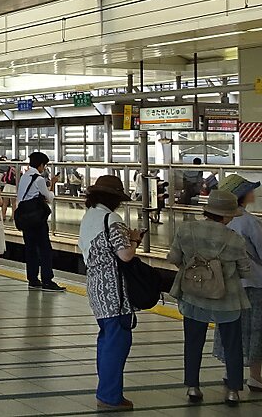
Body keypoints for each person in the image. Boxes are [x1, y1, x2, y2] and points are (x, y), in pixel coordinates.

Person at [168, 190, 251, 406]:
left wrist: (196, 273)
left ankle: (193, 387)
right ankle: (233, 390)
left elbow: (174, 258)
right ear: (225, 215)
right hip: (227, 299)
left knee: (193, 342)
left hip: (193, 296)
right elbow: (245, 269)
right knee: (232, 344)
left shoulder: (186, 230)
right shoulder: (234, 239)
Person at [78, 175, 141, 412]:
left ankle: (107, 391)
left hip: (96, 287)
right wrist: (133, 240)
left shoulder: (89, 217)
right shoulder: (111, 218)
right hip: (114, 292)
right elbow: (125, 254)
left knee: (106, 341)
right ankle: (110, 396)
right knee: (117, 343)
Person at [214, 174, 262, 393]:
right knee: (255, 328)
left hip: (229, 283)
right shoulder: (249, 221)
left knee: (232, 328)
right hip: (254, 283)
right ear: (241, 196)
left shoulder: (220, 221)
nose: (253, 193)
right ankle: (256, 377)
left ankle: (229, 371)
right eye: (250, 190)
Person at [17, 152, 65, 292]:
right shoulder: (38, 179)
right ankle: (47, 280)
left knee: (30, 249)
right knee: (45, 249)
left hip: (25, 217)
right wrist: (53, 185)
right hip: (37, 219)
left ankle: (32, 279)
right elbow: (49, 197)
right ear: (41, 165)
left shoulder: (25, 176)